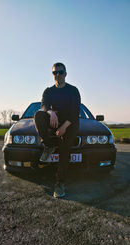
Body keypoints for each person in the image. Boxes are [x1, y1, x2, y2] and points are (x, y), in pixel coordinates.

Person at [34, 62, 81, 198]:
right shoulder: (49, 91)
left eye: (60, 72)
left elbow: (75, 112)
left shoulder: (73, 90)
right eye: (55, 73)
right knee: (38, 115)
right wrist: (50, 112)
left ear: (65, 74)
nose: (58, 75)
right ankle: (48, 145)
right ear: (52, 74)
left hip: (70, 124)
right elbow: (44, 104)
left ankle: (60, 184)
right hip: (54, 121)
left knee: (65, 149)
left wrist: (63, 127)